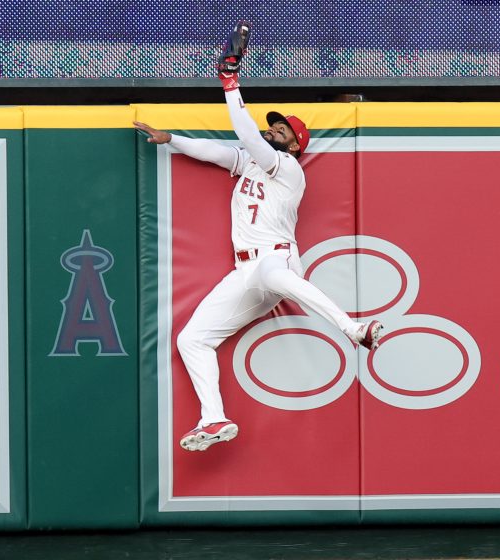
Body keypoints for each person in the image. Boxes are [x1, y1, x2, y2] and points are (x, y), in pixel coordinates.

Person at [133, 23, 382, 452]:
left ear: (295, 146)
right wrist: (170, 139)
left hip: (277, 259)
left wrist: (230, 83)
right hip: (247, 270)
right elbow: (221, 152)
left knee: (277, 275)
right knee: (192, 339)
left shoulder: (287, 169)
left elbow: (247, 134)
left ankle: (353, 327)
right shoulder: (252, 162)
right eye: (275, 125)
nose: (275, 129)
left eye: (283, 129)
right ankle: (213, 419)